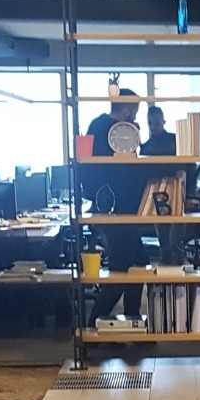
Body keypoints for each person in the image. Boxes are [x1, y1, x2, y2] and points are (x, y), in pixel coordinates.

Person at [82, 89, 148, 325]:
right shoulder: (109, 129)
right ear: (127, 108)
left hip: (116, 210)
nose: (135, 115)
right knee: (122, 271)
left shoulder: (97, 126)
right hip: (115, 211)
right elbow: (118, 171)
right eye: (135, 110)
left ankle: (132, 321)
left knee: (137, 263)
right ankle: (94, 325)